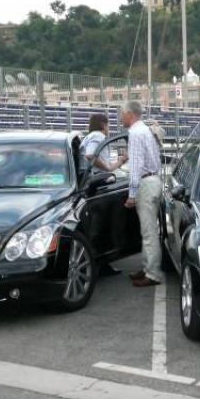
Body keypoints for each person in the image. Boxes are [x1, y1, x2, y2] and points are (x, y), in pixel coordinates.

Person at [121, 101, 164, 287]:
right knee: (148, 231)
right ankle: (148, 268)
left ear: (130, 114)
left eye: (122, 114)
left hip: (146, 183)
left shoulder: (135, 133)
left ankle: (152, 273)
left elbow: (136, 166)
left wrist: (132, 193)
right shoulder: (145, 130)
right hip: (153, 180)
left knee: (148, 232)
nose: (120, 117)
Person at [80, 114, 127, 277]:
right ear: (102, 125)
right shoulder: (98, 136)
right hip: (99, 187)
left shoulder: (89, 136)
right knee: (101, 227)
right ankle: (97, 265)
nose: (109, 129)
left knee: (99, 228)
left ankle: (101, 263)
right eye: (108, 125)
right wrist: (107, 167)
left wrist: (119, 162)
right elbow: (91, 154)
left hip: (94, 185)